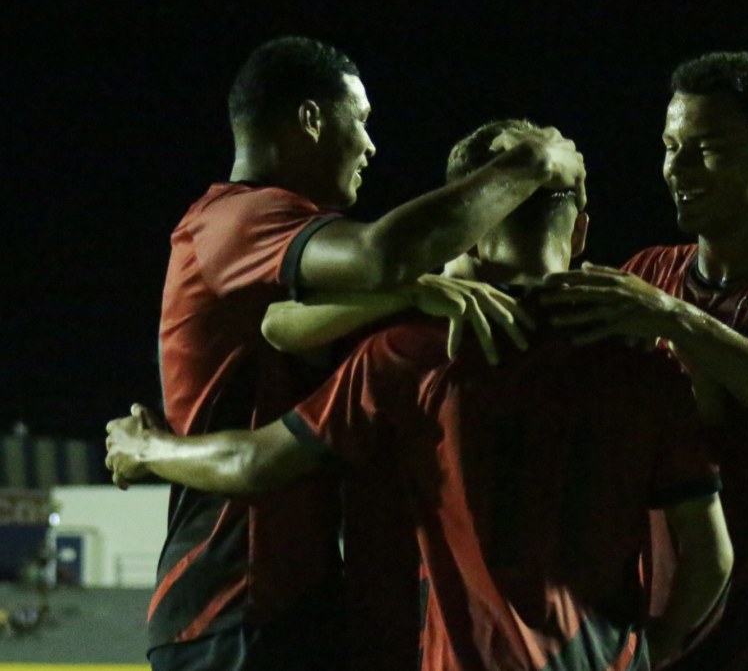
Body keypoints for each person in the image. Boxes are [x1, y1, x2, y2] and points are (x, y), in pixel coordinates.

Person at [108, 119, 734, 671]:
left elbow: (259, 446)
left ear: (467, 233)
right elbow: (711, 559)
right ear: (579, 234)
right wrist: (654, 648)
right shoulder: (647, 365)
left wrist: (146, 449)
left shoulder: (409, 354)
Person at [146, 36, 585, 671]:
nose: (372, 146)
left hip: (302, 601)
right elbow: (383, 255)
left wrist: (415, 287)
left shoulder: (309, 269)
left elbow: (285, 325)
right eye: (362, 121)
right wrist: (532, 163)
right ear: (310, 119)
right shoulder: (236, 218)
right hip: (233, 603)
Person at [542, 52, 748, 670]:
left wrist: (677, 319)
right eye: (671, 147)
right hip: (670, 618)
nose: (678, 168)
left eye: (707, 148)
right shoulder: (647, 272)